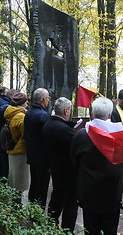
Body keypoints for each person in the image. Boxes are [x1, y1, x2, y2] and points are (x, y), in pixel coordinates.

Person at [71, 97, 123, 235]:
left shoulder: (81, 135)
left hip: (88, 193)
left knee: (90, 229)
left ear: (92, 113)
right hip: (111, 194)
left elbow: (74, 162)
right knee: (110, 230)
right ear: (110, 115)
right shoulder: (119, 136)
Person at [43, 97, 77, 232]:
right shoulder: (62, 129)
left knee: (57, 196)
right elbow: (74, 145)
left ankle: (51, 221)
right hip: (67, 169)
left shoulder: (49, 123)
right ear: (66, 110)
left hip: (56, 167)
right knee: (70, 201)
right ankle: (67, 229)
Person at [24, 88, 51, 206]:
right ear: (44, 99)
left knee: (34, 184)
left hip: (32, 155)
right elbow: (47, 139)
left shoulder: (28, 113)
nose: (49, 100)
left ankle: (31, 209)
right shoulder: (44, 115)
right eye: (48, 98)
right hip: (42, 158)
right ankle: (38, 214)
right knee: (42, 187)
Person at [4, 93, 30, 196]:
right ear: (23, 103)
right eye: (26, 102)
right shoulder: (21, 116)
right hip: (20, 150)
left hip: (11, 148)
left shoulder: (10, 113)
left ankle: (14, 203)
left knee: (13, 178)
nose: (27, 104)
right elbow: (25, 134)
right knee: (19, 181)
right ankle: (16, 206)